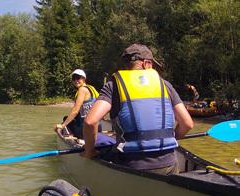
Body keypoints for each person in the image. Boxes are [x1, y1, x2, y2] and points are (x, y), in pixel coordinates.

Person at [82, 44, 194, 175]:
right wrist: (168, 139)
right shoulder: (165, 85)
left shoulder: (114, 86)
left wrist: (90, 152)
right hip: (169, 164)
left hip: (132, 165)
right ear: (146, 63)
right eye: (152, 64)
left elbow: (90, 121)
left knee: (107, 151)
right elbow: (187, 124)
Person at [55, 69, 99, 139]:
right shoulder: (92, 88)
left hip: (86, 130)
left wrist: (62, 126)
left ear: (84, 79)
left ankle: (72, 137)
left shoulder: (82, 90)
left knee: (65, 119)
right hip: (98, 127)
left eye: (78, 78)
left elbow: (75, 111)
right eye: (73, 78)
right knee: (72, 119)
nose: (75, 80)